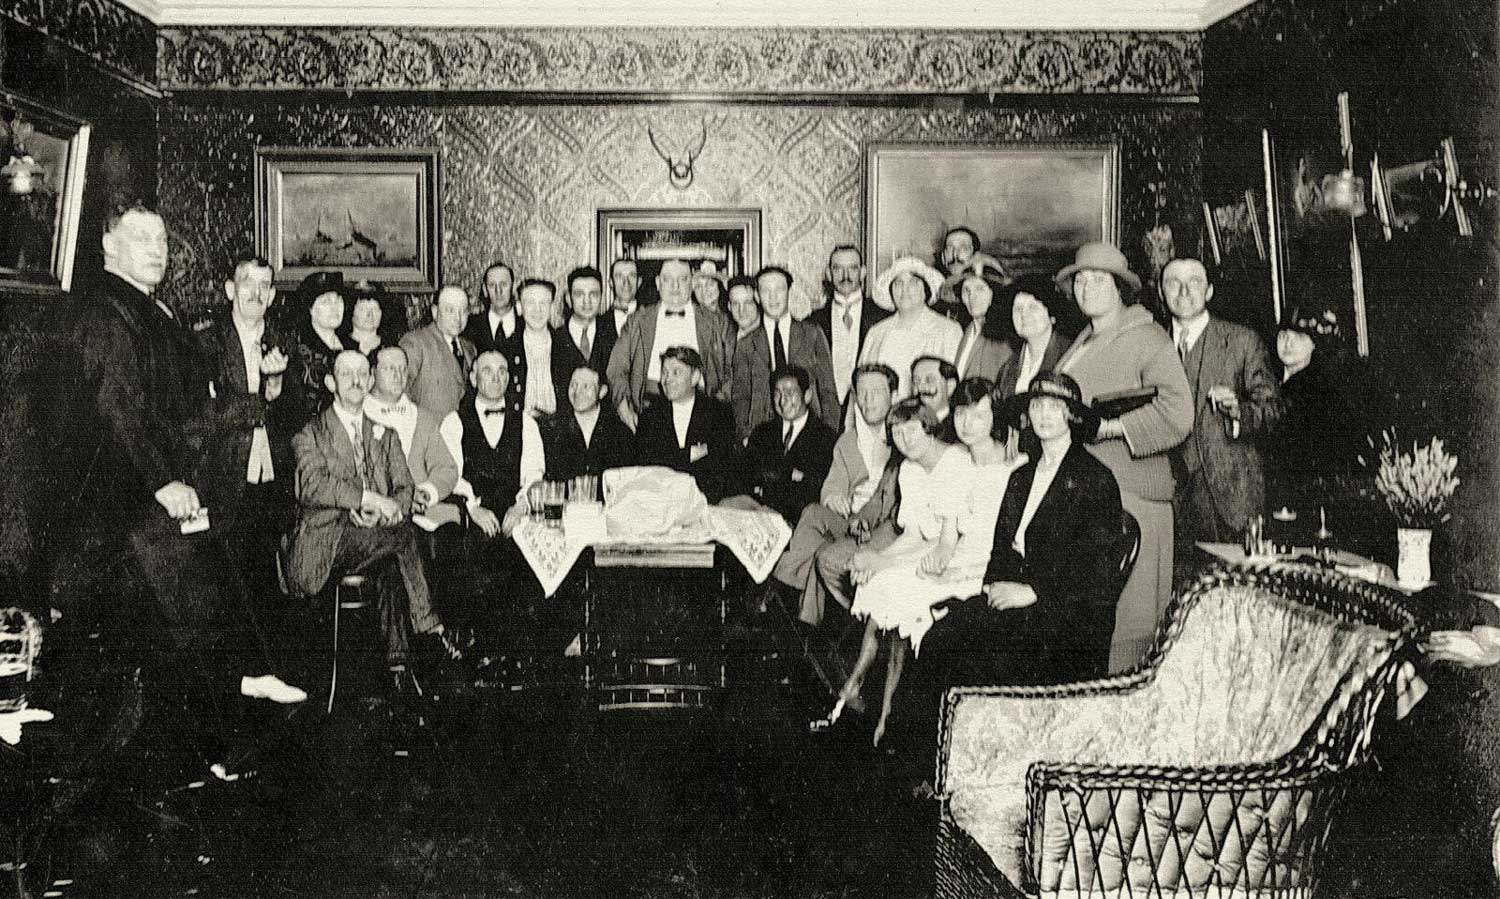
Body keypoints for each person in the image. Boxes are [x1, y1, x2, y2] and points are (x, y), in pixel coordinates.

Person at [65, 204, 307, 744]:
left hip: (163, 494)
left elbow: (188, 411)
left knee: (202, 610)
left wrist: (258, 401)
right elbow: (118, 409)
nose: (158, 250)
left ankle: (229, 714)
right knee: (182, 618)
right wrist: (163, 481)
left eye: (162, 240)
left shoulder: (151, 310)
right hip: (124, 508)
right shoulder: (106, 313)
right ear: (109, 246)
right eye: (142, 238)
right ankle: (222, 722)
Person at [919, 372, 1124, 693]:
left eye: (1054, 407)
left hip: (1064, 616)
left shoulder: (1095, 479)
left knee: (972, 656)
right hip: (1016, 599)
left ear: (1071, 415)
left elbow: (1096, 571)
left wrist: (1035, 592)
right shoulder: (1022, 476)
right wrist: (992, 587)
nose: (1044, 414)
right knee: (937, 638)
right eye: (1037, 405)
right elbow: (1001, 548)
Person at [1053, 242, 1192, 671]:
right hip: (1091, 493)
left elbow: (1179, 412)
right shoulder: (1083, 340)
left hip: (1133, 498)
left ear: (1120, 289)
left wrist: (1111, 428)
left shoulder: (1146, 337)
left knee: (1130, 624)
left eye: (1099, 280)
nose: (1087, 288)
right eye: (1080, 281)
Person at [814, 397, 983, 746]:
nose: (904, 440)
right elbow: (913, 535)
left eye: (911, 431)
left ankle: (886, 712)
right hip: (929, 551)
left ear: (929, 427)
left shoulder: (955, 462)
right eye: (897, 433)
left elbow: (945, 544)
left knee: (897, 590)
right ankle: (859, 690)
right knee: (878, 583)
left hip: (963, 555)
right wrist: (873, 558)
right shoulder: (909, 469)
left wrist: (882, 563)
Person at [288, 351, 452, 662]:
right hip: (325, 544)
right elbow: (312, 486)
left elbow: (406, 489)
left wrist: (385, 512)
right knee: (405, 536)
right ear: (330, 382)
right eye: (346, 374)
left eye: (362, 374)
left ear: (371, 381)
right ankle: (431, 631)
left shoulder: (385, 435)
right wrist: (370, 499)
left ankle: (398, 669)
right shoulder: (309, 434)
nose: (356, 380)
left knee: (392, 567)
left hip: (376, 539)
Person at [1161, 258, 1281, 568]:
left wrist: (1239, 412)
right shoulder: (1152, 344)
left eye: (1194, 282)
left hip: (1230, 500)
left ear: (1210, 291)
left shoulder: (1242, 341)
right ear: (1161, 292)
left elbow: (1271, 410)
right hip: (1168, 501)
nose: (1184, 291)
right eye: (1173, 282)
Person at [195, 253, 301, 597]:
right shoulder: (205, 343)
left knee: (266, 592)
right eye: (247, 284)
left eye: (264, 286)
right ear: (230, 290)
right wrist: (260, 401)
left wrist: (279, 388)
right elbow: (201, 416)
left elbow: (298, 416)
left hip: (272, 483)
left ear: (272, 296)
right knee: (224, 591)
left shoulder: (285, 343)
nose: (256, 293)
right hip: (223, 482)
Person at [772, 363, 896, 626]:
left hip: (884, 526)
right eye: (861, 393)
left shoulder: (904, 436)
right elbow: (832, 485)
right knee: (813, 512)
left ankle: (783, 592)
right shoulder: (848, 441)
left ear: (894, 396)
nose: (868, 400)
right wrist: (834, 497)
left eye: (876, 392)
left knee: (821, 549)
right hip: (851, 520)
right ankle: (785, 584)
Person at [1263, 307, 1361, 539]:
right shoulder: (1269, 381)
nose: (1287, 343)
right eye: (1283, 336)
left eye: (1298, 337)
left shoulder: (1321, 391)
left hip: (1305, 502)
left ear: (1314, 343)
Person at [606, 258, 732, 431]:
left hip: (702, 410)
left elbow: (734, 369)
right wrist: (624, 407)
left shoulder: (717, 322)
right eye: (668, 279)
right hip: (648, 409)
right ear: (658, 283)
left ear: (692, 283)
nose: (675, 286)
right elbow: (616, 369)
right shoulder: (637, 321)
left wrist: (716, 407)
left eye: (682, 279)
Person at [729, 265, 840, 441]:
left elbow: (828, 390)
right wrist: (745, 435)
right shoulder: (746, 344)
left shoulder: (812, 333)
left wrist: (829, 435)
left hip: (810, 434)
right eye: (766, 291)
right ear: (757, 296)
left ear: (789, 292)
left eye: (779, 289)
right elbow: (740, 396)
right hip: (762, 435)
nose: (773, 297)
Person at [363, 346, 463, 528]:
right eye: (389, 369)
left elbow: (447, 468)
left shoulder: (421, 418)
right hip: (371, 515)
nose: (398, 375)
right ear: (372, 373)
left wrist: (426, 493)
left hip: (421, 515)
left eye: (403, 369)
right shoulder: (358, 415)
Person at [452, 350, 546, 541]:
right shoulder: (454, 422)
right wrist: (473, 508)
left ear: (508, 378)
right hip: (473, 521)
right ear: (473, 379)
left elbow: (535, 474)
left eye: (502, 371)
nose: (496, 378)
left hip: (516, 518)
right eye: (487, 371)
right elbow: (450, 475)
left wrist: (522, 506)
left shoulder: (526, 422)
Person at [726, 365, 837, 524]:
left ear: (807, 396)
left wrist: (768, 483)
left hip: (797, 521)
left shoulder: (825, 437)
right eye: (777, 393)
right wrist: (790, 475)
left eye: (790, 393)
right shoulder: (762, 432)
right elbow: (743, 478)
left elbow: (813, 490)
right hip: (755, 514)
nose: (783, 401)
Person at [633, 346, 738, 502]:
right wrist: (689, 454)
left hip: (706, 501)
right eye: (664, 373)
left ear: (695, 377)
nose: (667, 380)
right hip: (661, 500)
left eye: (676, 372)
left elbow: (721, 467)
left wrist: (672, 457)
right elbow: (646, 464)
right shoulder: (650, 415)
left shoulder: (719, 413)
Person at [859, 257, 962, 400]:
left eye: (913, 283)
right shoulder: (876, 332)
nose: (904, 290)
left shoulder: (948, 330)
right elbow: (861, 382)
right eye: (898, 283)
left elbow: (954, 386)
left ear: (926, 290)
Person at [809, 245, 890, 407]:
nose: (845, 276)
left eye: (853, 268)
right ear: (828, 274)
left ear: (863, 272)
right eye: (838, 269)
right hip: (828, 412)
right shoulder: (813, 322)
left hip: (870, 407)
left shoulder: (882, 318)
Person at [540, 366, 635, 482]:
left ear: (602, 391)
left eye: (586, 386)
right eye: (574, 385)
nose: (578, 392)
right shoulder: (552, 429)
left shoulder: (620, 433)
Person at [994, 274, 1073, 401]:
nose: (1024, 314)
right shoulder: (1008, 368)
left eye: (1033, 307)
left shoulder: (1069, 355)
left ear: (1052, 314)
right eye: (1018, 309)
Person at [400, 285, 475, 416]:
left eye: (463, 311)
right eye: (450, 310)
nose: (458, 318)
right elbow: (399, 393)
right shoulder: (416, 343)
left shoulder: (470, 348)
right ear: (435, 312)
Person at [288, 270, 350, 424]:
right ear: (311, 309)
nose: (335, 307)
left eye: (338, 300)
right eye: (326, 302)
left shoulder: (350, 346)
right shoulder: (301, 351)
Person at [502, 278, 567, 417]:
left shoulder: (566, 347)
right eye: (530, 303)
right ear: (519, 308)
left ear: (552, 308)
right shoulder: (506, 349)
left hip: (557, 427)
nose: (538, 310)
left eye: (543, 303)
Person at [947, 260, 1014, 381]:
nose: (972, 297)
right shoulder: (970, 329)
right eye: (966, 290)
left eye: (980, 289)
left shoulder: (1002, 336)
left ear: (994, 293)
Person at [556, 266, 616, 381]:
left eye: (593, 294)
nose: (587, 301)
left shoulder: (613, 335)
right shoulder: (555, 339)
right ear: (568, 299)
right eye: (579, 294)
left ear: (601, 297)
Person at [461, 261, 517, 355]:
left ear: (513, 287)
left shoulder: (525, 325)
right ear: (485, 289)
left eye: (503, 284)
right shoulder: (469, 326)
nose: (498, 291)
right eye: (492, 285)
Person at [338, 279, 401, 360]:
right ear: (351, 311)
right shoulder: (338, 346)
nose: (369, 314)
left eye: (375, 309)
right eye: (363, 309)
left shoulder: (391, 347)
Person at [911, 355, 958, 424]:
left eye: (929, 380)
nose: (920, 387)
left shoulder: (961, 425)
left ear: (950, 386)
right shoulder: (905, 424)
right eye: (917, 381)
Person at [607, 258, 642, 336]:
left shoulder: (651, 318)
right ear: (611, 283)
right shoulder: (598, 323)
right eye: (619, 276)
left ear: (639, 282)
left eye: (632, 276)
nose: (626, 282)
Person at [725, 275, 763, 342]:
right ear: (729, 306)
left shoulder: (767, 337)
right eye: (735, 304)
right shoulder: (728, 334)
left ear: (758, 302)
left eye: (747, 303)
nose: (741, 311)